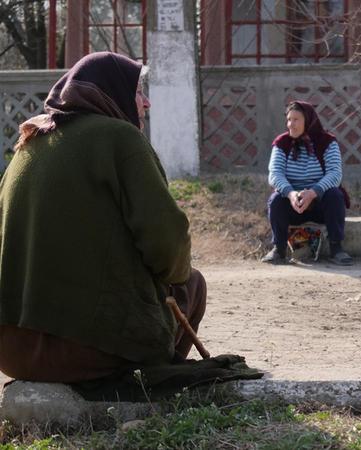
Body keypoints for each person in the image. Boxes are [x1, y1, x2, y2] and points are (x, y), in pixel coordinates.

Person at [0, 51, 206, 383]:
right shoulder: (121, 139)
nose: (146, 103)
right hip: (88, 352)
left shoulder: (29, 144)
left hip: (12, 353)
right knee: (193, 283)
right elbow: (169, 244)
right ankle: (151, 377)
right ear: (112, 93)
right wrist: (166, 276)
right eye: (138, 92)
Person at [264, 100, 353, 266]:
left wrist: (313, 192)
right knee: (276, 200)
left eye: (296, 119)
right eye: (289, 119)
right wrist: (291, 194)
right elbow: (275, 174)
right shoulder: (282, 143)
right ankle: (279, 249)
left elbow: (335, 174)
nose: (291, 124)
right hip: (294, 204)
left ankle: (337, 248)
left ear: (308, 120)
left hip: (320, 203)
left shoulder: (327, 142)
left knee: (335, 195)